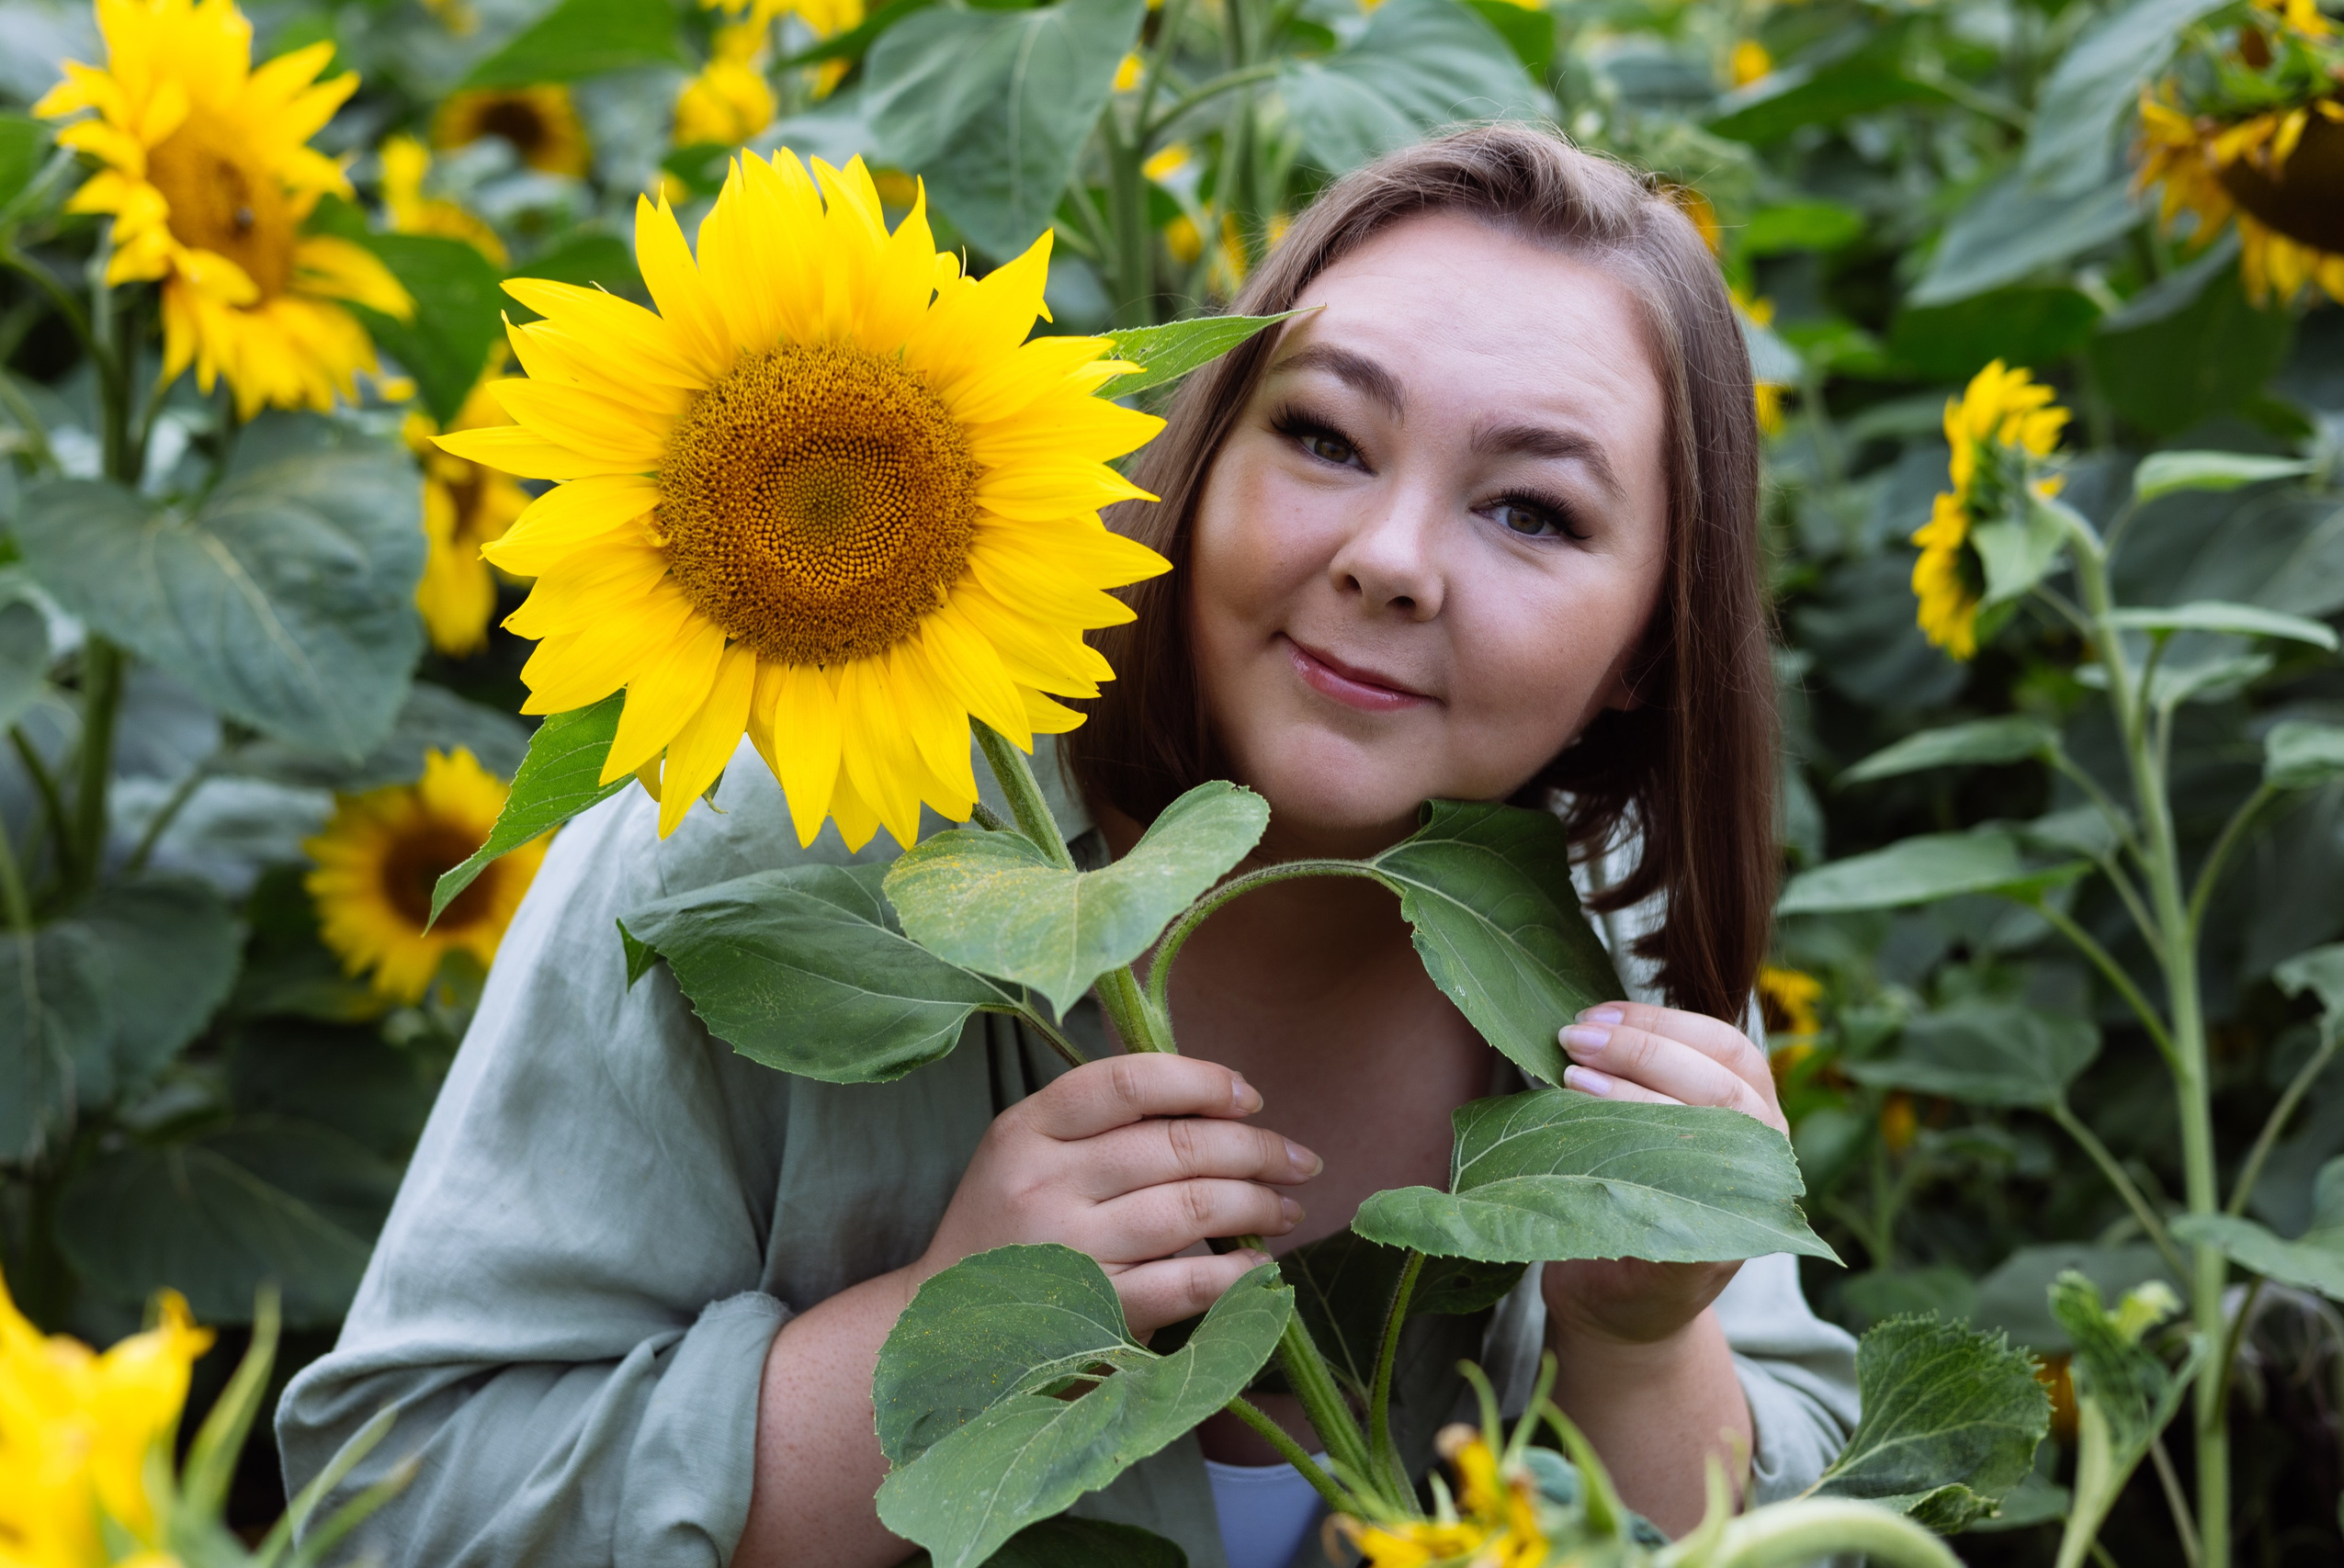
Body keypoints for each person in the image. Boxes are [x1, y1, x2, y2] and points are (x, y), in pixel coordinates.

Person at [277, 124, 1858, 1568]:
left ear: (1649, 639)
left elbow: (1814, 1526)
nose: (1389, 559)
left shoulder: (1603, 961)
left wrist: (1640, 1346)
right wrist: (949, 1339)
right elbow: (393, 1502)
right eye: (1324, 436)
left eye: (1532, 513)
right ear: (1201, 455)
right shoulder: (773, 828)